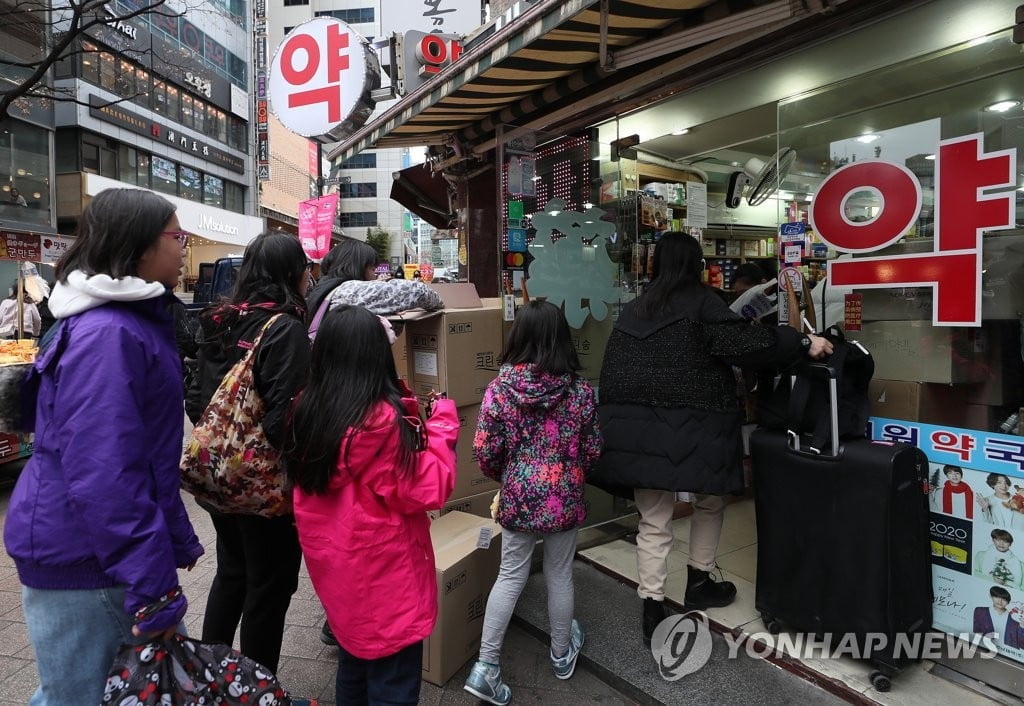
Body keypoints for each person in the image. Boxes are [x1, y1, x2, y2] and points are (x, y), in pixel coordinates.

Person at [3, 188, 204, 705]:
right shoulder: (108, 333)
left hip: (88, 545)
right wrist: (151, 582)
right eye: (177, 236)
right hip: (85, 555)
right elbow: (105, 472)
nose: (185, 248)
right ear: (138, 245)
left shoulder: (120, 321)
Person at [589, 232, 832, 646]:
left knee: (654, 519)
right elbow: (747, 345)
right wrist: (803, 341)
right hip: (697, 421)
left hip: (634, 427)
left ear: (656, 265)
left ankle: (652, 604)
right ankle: (699, 581)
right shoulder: (704, 302)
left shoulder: (633, 310)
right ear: (696, 264)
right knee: (711, 500)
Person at [284, 305, 458, 705]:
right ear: (377, 358)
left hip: (340, 581)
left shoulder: (308, 410)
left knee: (354, 668)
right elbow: (430, 487)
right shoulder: (377, 424)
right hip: (387, 587)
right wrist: (443, 423)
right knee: (392, 683)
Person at [463, 300, 601, 706]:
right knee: (560, 574)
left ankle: (486, 667)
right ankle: (561, 655)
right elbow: (592, 449)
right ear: (561, 337)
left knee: (510, 575)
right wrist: (570, 471)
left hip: (519, 496)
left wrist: (510, 477)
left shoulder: (500, 388)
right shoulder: (579, 391)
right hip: (564, 494)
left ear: (518, 335)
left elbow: (485, 451)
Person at [187, 232, 312, 677]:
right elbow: (286, 419)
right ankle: (259, 690)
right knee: (269, 588)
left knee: (232, 574)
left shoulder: (217, 319)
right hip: (263, 490)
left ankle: (210, 679)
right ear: (294, 273)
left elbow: (197, 396)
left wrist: (225, 448)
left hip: (218, 478)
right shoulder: (285, 328)